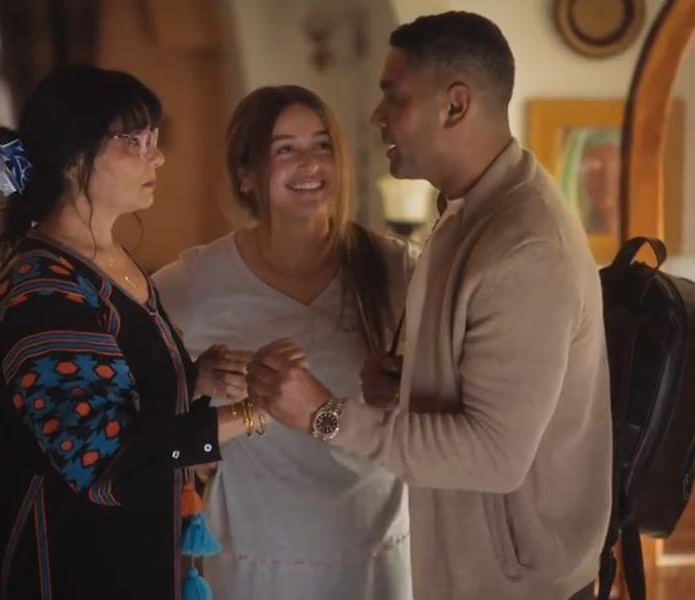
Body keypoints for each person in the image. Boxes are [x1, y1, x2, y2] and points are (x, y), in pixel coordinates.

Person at [247, 12, 613, 600]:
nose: (378, 117)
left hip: (519, 588)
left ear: (455, 105)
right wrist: (412, 386)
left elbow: (495, 456)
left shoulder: (524, 247)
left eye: (394, 97)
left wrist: (326, 415)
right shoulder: (468, 215)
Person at [0, 66, 259, 600]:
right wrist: (256, 414)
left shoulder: (111, 262)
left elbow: (122, 396)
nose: (156, 157)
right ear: (73, 159)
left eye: (154, 139)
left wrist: (193, 380)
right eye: (134, 142)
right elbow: (105, 457)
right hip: (65, 562)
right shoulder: (42, 286)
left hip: (131, 549)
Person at [154, 85, 416, 600]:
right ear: (246, 175)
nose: (310, 164)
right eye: (286, 149)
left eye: (322, 145)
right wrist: (199, 383)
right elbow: (128, 382)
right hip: (256, 553)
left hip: (373, 544)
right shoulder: (198, 279)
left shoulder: (395, 269)